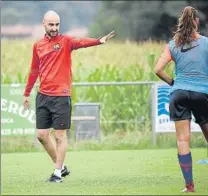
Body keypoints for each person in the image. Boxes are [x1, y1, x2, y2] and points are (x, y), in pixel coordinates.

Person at [23, 10, 115, 183]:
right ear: (44, 23)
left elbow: (81, 42)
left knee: (60, 136)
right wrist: (27, 93)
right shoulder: (38, 45)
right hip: (43, 96)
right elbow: (34, 70)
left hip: (61, 96)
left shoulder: (66, 42)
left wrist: (98, 41)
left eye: (57, 24)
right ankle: (62, 167)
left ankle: (57, 174)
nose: (55, 28)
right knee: (42, 135)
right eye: (51, 24)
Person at [154, 6, 208, 193]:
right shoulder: (206, 43)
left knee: (183, 140)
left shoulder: (173, 44)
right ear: (196, 22)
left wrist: (173, 83)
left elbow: (158, 69)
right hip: (203, 94)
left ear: (180, 22)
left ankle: (189, 186)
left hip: (179, 94)